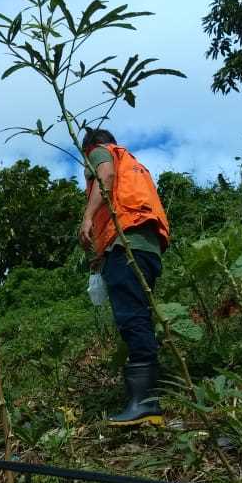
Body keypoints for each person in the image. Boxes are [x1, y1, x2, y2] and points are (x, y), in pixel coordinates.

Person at [77, 128, 170, 427]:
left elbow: (104, 177)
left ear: (91, 147)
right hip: (147, 247)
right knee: (140, 316)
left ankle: (145, 403)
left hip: (127, 244)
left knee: (132, 318)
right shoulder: (133, 163)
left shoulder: (101, 153)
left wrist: (88, 217)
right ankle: (148, 399)